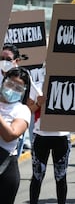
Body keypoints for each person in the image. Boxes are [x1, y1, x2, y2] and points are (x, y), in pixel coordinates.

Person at [29, 94, 71, 204]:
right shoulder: (36, 84)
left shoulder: (68, 82)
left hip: (62, 135)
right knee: (37, 176)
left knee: (61, 177)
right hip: (40, 134)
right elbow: (28, 110)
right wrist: (38, 103)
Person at [0, 67, 32, 203]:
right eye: (10, 84)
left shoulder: (22, 110)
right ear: (4, 82)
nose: (12, 89)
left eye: (18, 88)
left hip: (4, 168)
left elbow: (10, 135)